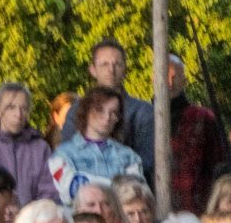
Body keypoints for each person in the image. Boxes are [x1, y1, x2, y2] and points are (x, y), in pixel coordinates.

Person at [60, 39, 158, 174]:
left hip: (130, 188)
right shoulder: (76, 110)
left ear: (125, 69)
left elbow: (147, 161)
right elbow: (68, 155)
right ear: (93, 70)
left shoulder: (144, 112)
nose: (111, 70)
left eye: (117, 64)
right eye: (104, 64)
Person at [0, 82, 60, 207]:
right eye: (11, 107)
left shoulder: (41, 148)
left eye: (23, 108)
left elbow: (49, 194)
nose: (18, 114)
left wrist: (27, 219)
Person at [164, 54, 231, 215]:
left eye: (175, 77)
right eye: (164, 76)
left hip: (198, 211)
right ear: (153, 79)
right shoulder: (145, 117)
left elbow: (219, 165)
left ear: (184, 80)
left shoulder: (203, 117)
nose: (169, 83)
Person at [52, 85, 146, 202]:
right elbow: (70, 192)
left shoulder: (129, 156)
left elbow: (136, 194)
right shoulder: (63, 154)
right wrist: (118, 189)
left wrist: (87, 183)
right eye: (100, 110)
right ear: (87, 111)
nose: (107, 117)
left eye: (114, 113)